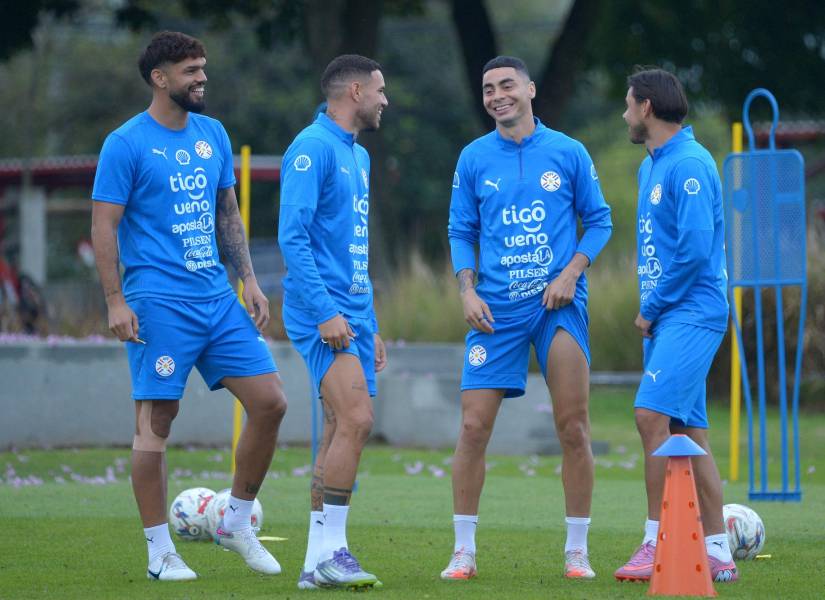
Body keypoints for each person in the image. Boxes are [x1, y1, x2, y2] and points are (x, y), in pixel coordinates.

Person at [91, 31, 287, 582]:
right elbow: (103, 225)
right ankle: (160, 552)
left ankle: (235, 521)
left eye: (203, 68)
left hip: (218, 297)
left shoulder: (213, 133)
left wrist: (247, 279)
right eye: (190, 71)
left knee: (271, 402)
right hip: (157, 301)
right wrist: (114, 300)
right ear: (160, 78)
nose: (202, 79)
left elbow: (227, 212)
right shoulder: (125, 143)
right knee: (156, 422)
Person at [442, 56, 613, 581]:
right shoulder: (473, 157)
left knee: (573, 427)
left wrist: (571, 274)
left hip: (556, 308)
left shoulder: (568, 151)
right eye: (489, 88)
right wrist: (466, 289)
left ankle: (577, 550)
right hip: (494, 311)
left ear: (530, 89)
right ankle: (464, 551)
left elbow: (600, 221)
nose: (498, 95)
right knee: (472, 427)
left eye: (507, 85)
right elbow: (460, 230)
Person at [614, 68, 736, 583]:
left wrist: (650, 307)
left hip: (692, 310)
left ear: (646, 107)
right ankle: (717, 551)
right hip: (669, 318)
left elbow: (692, 255)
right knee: (690, 430)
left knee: (650, 416)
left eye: (627, 104)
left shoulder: (690, 163)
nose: (623, 114)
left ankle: (654, 540)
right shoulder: (651, 166)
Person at [278, 54, 388, 591]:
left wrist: (372, 322)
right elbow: (292, 238)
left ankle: (312, 561)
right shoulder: (312, 148)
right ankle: (336, 552)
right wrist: (326, 313)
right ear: (353, 92)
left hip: (355, 314)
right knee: (358, 420)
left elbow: (352, 246)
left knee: (335, 432)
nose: (384, 100)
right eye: (379, 90)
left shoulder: (358, 156)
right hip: (319, 313)